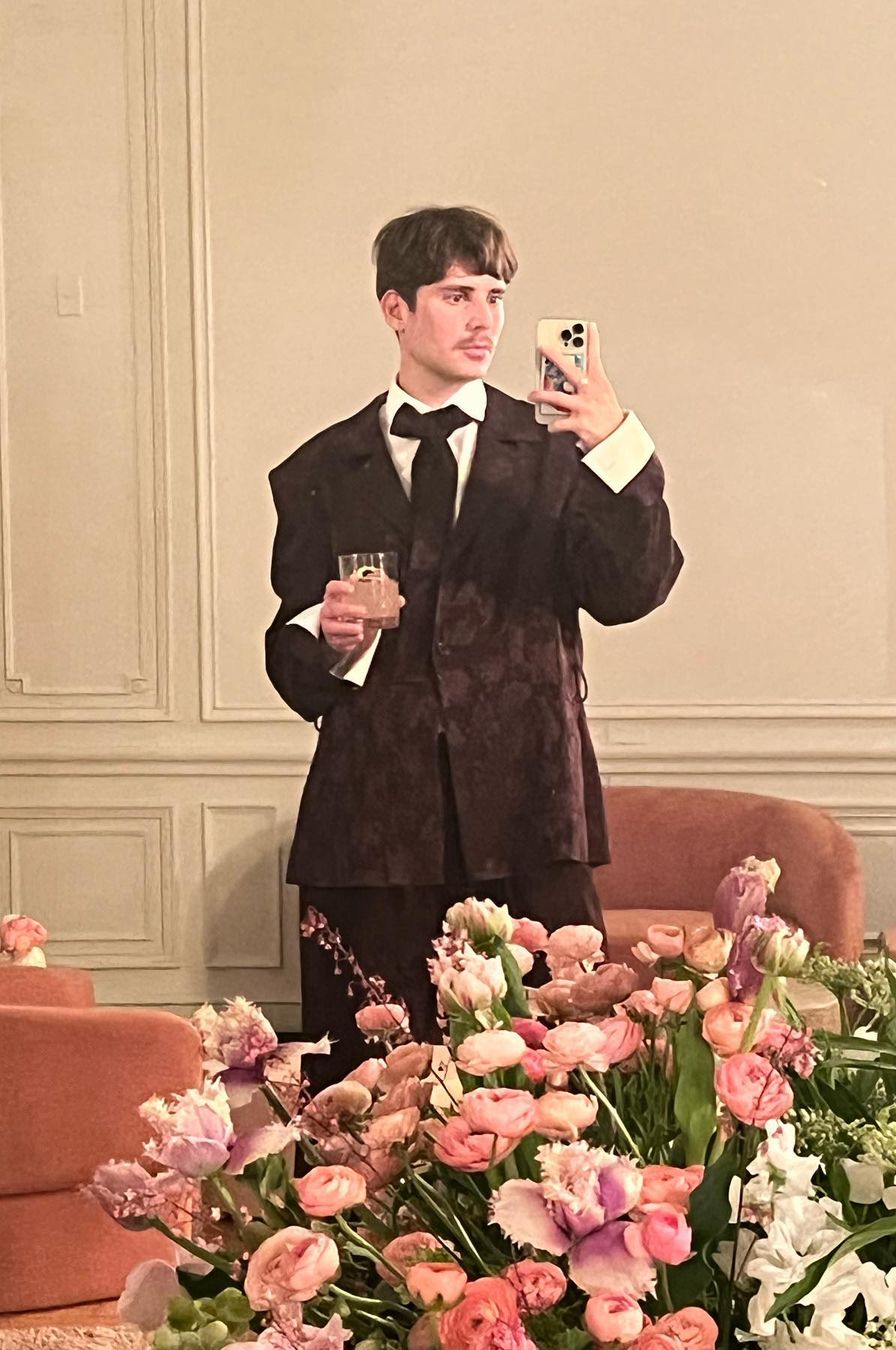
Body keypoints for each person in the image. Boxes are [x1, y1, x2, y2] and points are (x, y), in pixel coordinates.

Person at [265, 205, 682, 1090]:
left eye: (495, 295)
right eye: (457, 295)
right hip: (372, 828)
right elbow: (293, 657)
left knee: (559, 1090)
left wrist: (619, 446)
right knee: (370, 1093)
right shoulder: (319, 468)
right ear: (395, 308)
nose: (484, 318)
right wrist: (327, 637)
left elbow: (633, 591)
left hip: (531, 813)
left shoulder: (563, 452)